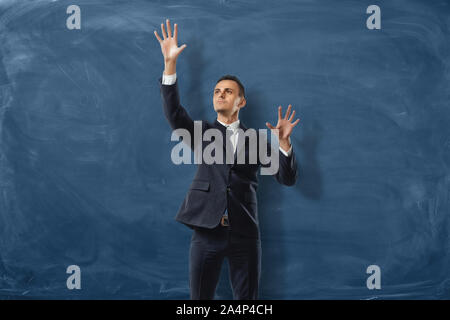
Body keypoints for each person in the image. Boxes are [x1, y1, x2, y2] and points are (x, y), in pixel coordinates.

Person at [154, 19, 300, 300]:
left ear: (241, 102)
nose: (221, 95)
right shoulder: (203, 133)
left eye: (228, 91)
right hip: (206, 232)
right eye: (217, 92)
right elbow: (174, 114)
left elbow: (287, 178)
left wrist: (284, 143)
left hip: (244, 233)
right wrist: (169, 65)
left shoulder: (257, 140)